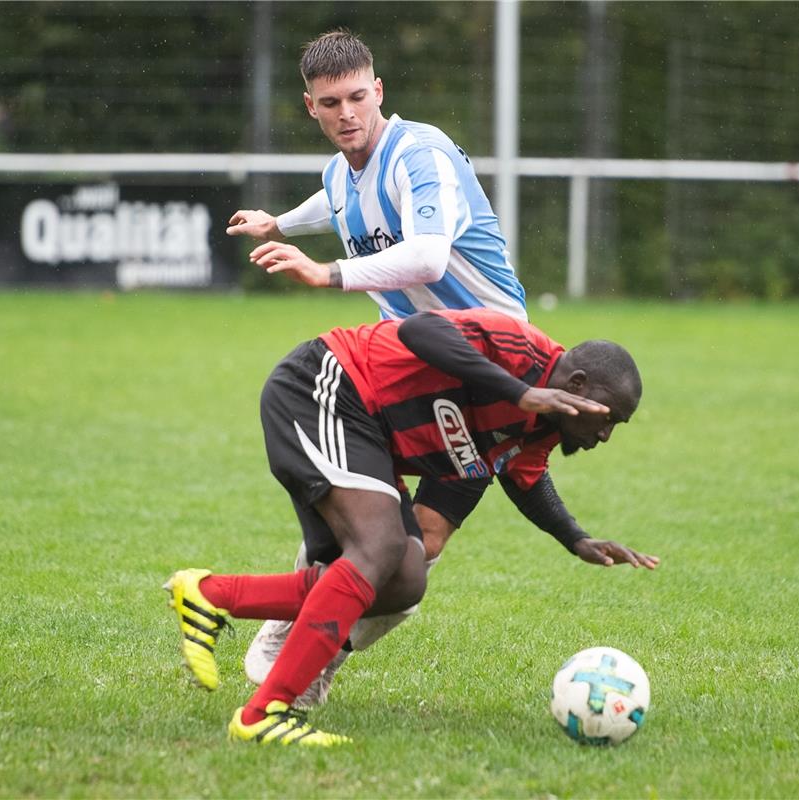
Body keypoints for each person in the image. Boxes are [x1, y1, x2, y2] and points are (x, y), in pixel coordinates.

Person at [163, 308, 659, 747]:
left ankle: (212, 594)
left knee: (404, 578)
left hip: (367, 434)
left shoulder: (542, 428)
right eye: (607, 416)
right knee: (377, 550)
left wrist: (576, 539)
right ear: (575, 385)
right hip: (326, 385)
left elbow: (525, 478)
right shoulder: (520, 346)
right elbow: (421, 329)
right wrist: (520, 391)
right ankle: (264, 713)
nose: (604, 434)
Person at [226, 30, 530, 699]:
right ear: (311, 106)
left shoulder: (419, 155)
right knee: (365, 526)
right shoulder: (340, 171)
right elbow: (333, 203)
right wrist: (278, 223)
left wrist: (326, 272)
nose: (347, 113)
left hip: (487, 369)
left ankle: (314, 630)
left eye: (358, 96)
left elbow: (425, 255)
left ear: (379, 91)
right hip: (405, 372)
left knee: (423, 546)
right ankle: (307, 647)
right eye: (331, 102)